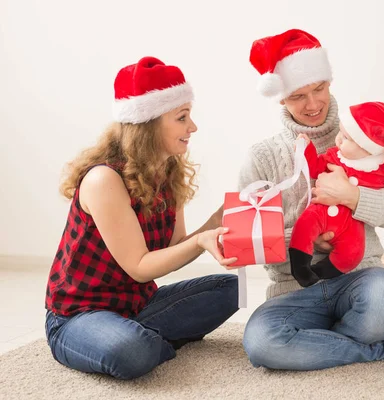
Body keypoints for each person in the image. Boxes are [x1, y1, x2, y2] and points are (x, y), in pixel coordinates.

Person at [240, 29, 384, 371]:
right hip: (293, 290)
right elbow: (250, 243)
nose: (313, 104)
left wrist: (353, 197)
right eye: (298, 96)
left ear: (329, 82)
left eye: (319, 89)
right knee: (261, 344)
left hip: (362, 281)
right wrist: (310, 243)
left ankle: (329, 343)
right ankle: (381, 347)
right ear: (281, 98)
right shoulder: (261, 157)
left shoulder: (365, 133)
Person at [45, 56, 239, 380]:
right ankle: (141, 341)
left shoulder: (169, 170)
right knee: (132, 351)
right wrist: (203, 242)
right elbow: (139, 267)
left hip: (137, 306)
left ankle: (142, 336)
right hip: (78, 316)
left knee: (232, 289)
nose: (193, 127)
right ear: (148, 124)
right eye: (182, 117)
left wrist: (214, 223)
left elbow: (176, 246)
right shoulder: (103, 180)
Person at [289, 101, 384, 287]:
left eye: (347, 138)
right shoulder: (335, 156)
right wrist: (306, 150)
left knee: (353, 252)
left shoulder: (383, 167)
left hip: (351, 223)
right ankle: (300, 267)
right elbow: (314, 166)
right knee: (304, 226)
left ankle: (321, 272)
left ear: (368, 147)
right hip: (320, 211)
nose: (339, 139)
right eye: (341, 133)